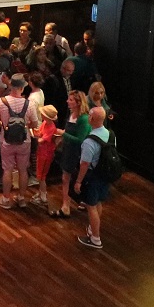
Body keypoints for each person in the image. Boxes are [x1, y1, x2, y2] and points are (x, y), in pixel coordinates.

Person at [0, 74, 35, 210]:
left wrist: (4, 125)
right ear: (22, 88)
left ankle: (5, 199)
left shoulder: (1, 102)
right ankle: (21, 198)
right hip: (24, 141)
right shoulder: (29, 104)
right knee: (23, 170)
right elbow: (34, 123)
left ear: (11, 85)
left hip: (6, 141)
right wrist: (25, 125)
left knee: (7, 170)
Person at [75, 105, 114, 250]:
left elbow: (85, 163)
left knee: (91, 206)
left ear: (91, 118)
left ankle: (95, 239)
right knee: (98, 203)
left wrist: (78, 181)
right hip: (105, 175)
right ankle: (93, 229)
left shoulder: (89, 142)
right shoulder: (111, 134)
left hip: (93, 177)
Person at [56, 90, 92, 218]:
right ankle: (65, 205)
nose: (67, 101)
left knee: (73, 179)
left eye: (71, 100)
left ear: (78, 102)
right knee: (65, 178)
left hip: (77, 153)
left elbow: (80, 140)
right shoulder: (72, 115)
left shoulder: (83, 119)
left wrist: (63, 134)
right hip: (68, 151)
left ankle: (77, 203)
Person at [33, 104, 62, 211]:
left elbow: (42, 140)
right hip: (41, 152)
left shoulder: (51, 127)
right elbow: (40, 133)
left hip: (45, 154)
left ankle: (43, 196)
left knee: (41, 176)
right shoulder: (45, 123)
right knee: (39, 174)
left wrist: (34, 136)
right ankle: (41, 192)